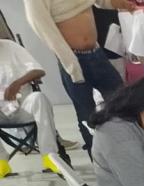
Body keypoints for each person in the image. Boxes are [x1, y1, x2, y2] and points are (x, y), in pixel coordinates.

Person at [22, 0, 133, 152]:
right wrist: (68, 60)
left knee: (123, 104)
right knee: (87, 115)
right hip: (72, 60)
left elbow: (101, 1)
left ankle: (129, 150)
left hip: (97, 53)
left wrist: (120, 4)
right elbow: (40, 25)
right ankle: (98, 160)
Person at [0, 38, 62, 177]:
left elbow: (38, 71)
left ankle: (49, 156)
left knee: (39, 98)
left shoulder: (10, 47)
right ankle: (1, 162)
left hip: (23, 107)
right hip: (1, 113)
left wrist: (17, 83)